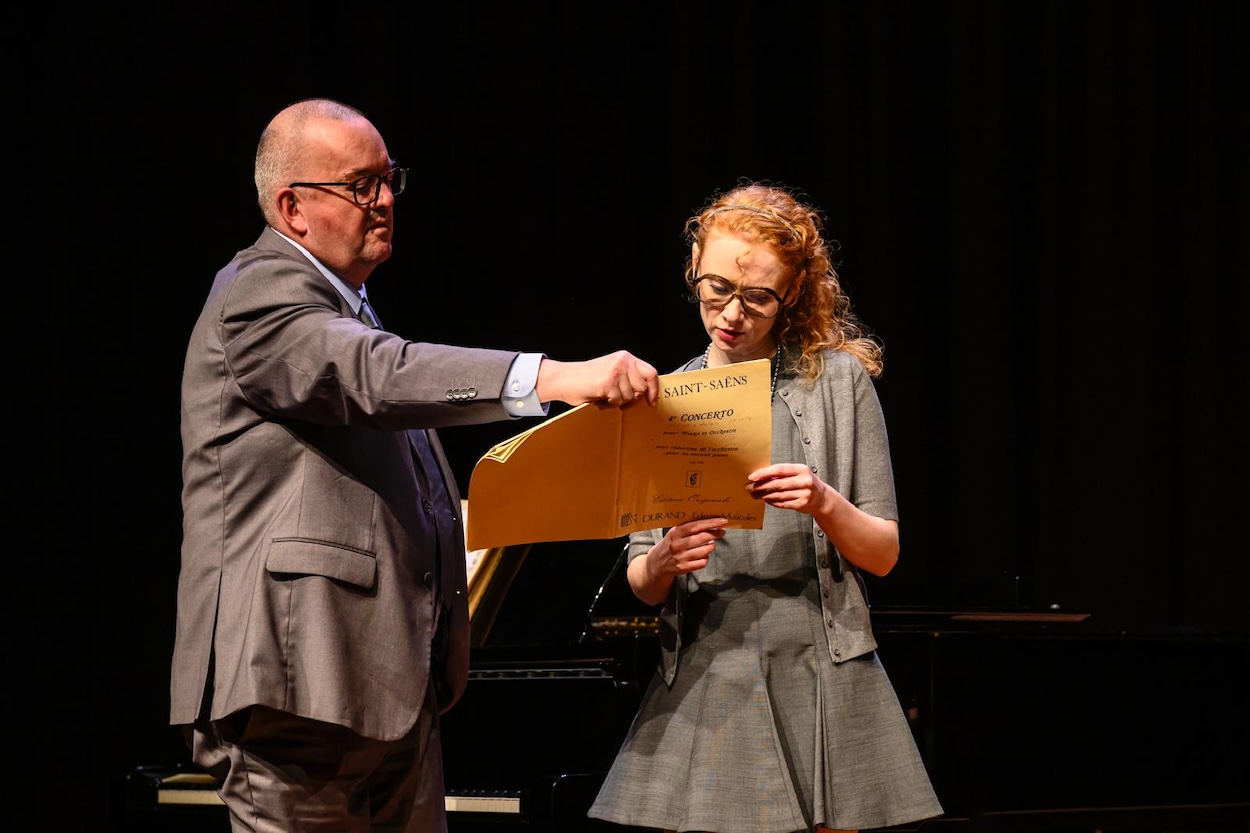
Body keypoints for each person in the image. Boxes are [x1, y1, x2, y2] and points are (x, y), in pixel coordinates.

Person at [170, 97, 659, 833]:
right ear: (292, 207)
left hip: (384, 689)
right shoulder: (260, 292)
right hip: (300, 682)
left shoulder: (346, 307)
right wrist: (553, 377)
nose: (385, 200)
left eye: (388, 178)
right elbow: (376, 374)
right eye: (359, 185)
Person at [588, 182, 943, 833]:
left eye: (758, 297)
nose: (732, 312)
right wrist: (664, 558)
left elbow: (884, 554)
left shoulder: (838, 382)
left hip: (820, 661)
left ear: (793, 292)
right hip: (708, 664)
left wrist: (823, 500)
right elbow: (642, 581)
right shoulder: (663, 398)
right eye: (717, 287)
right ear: (694, 268)